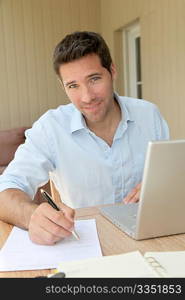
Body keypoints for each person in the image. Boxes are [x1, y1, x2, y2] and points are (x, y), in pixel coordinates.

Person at [0, 31, 169, 245]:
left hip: (150, 238)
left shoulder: (149, 115)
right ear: (63, 87)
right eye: (73, 86)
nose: (87, 96)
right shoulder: (50, 128)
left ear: (112, 71)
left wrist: (159, 187)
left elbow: (174, 175)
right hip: (85, 245)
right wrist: (32, 215)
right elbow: (5, 190)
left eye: (94, 79)